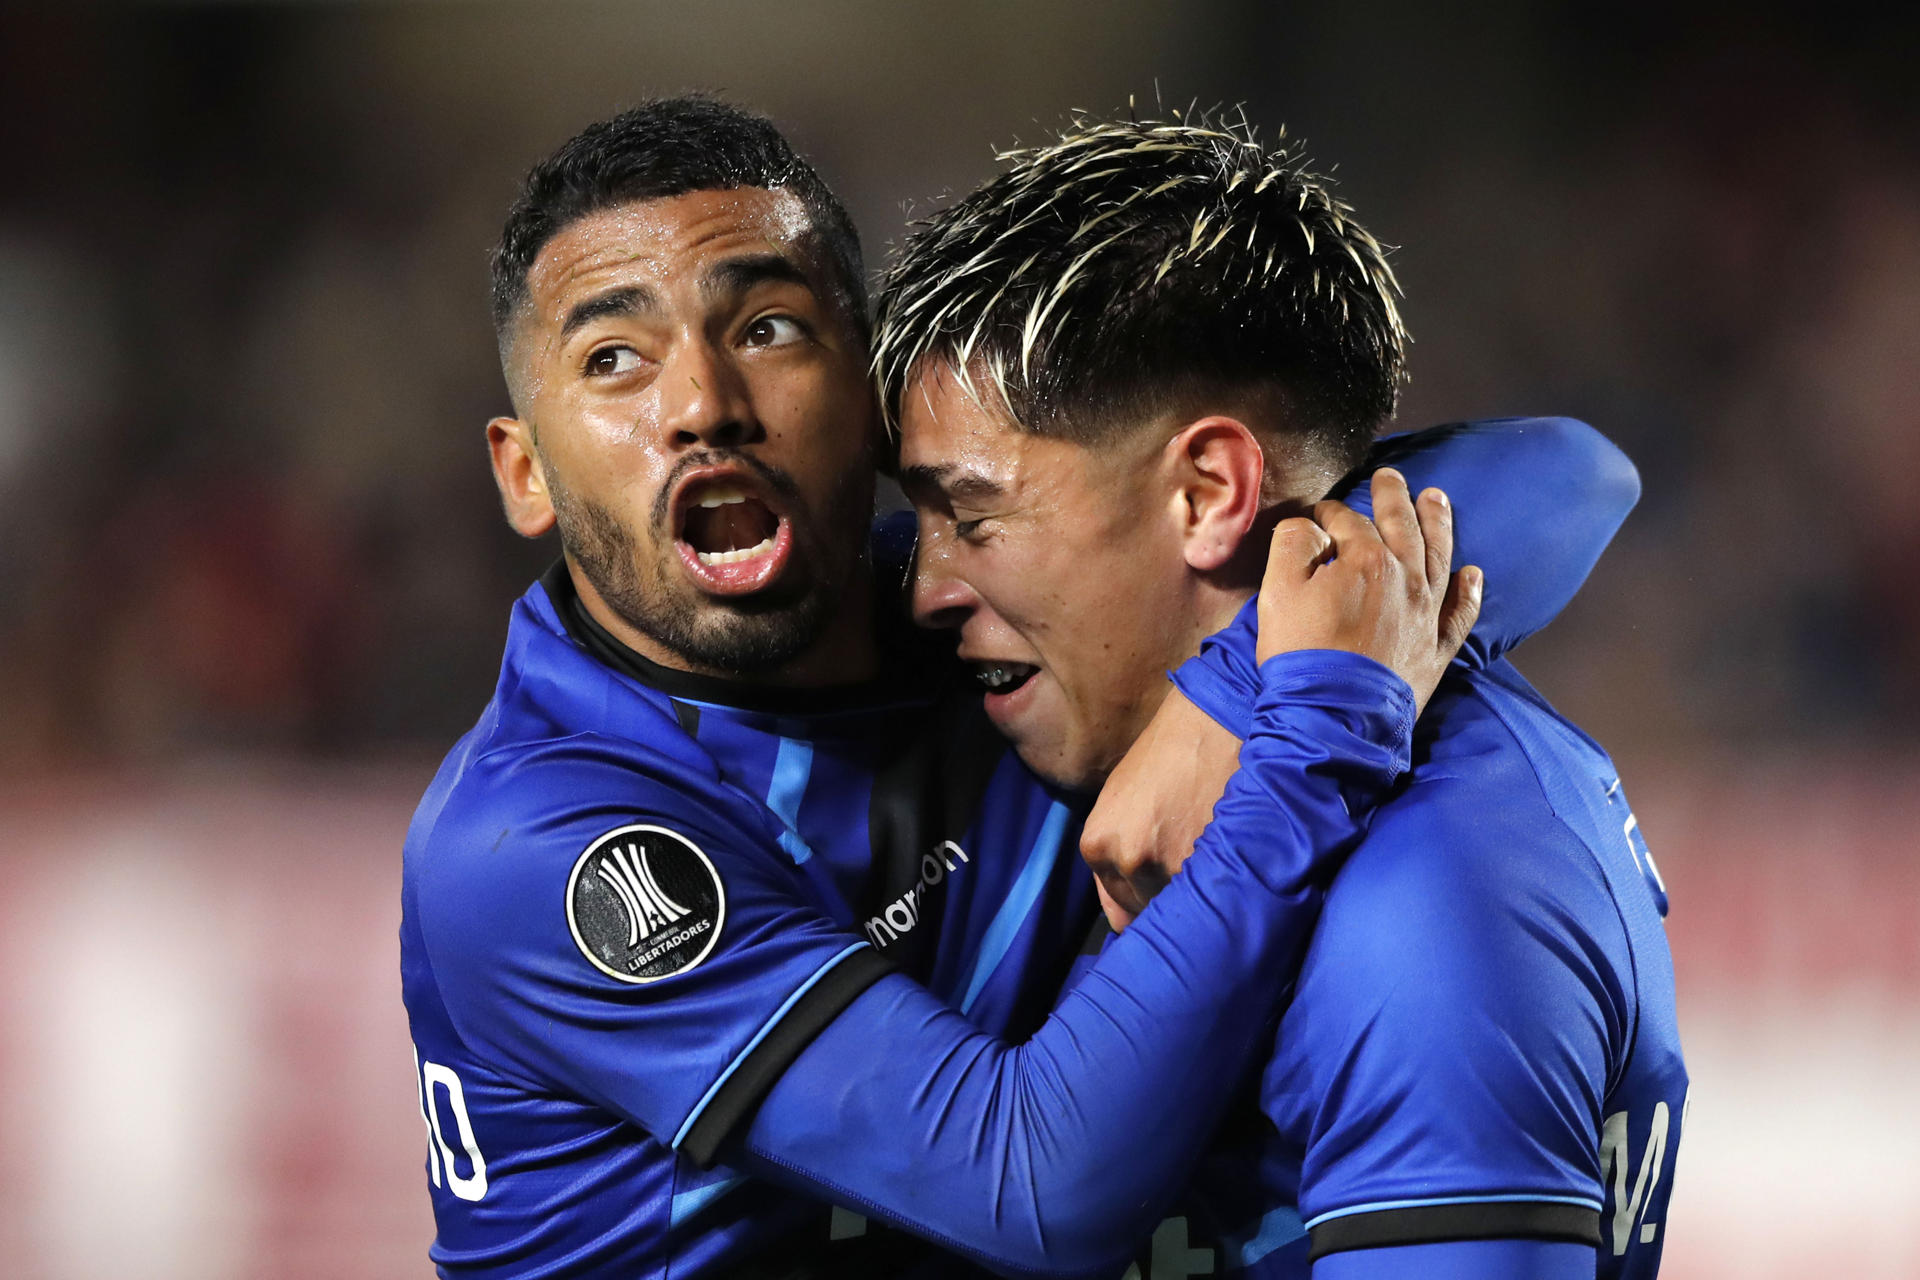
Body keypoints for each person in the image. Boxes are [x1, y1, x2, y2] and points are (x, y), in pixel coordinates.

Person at [402, 97, 1632, 1279]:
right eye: (614, 357)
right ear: (526, 475)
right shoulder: (541, 840)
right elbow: (1035, 1188)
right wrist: (1309, 735)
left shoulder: (977, 614)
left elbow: (1568, 478)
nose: (702, 407)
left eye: (767, 327)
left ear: (866, 391)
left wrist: (1226, 691)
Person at [875, 111, 1685, 1279]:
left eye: (977, 516)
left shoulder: (1434, 889)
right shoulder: (1086, 735)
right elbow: (1570, 469)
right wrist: (1238, 685)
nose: (928, 586)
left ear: (1208, 491)